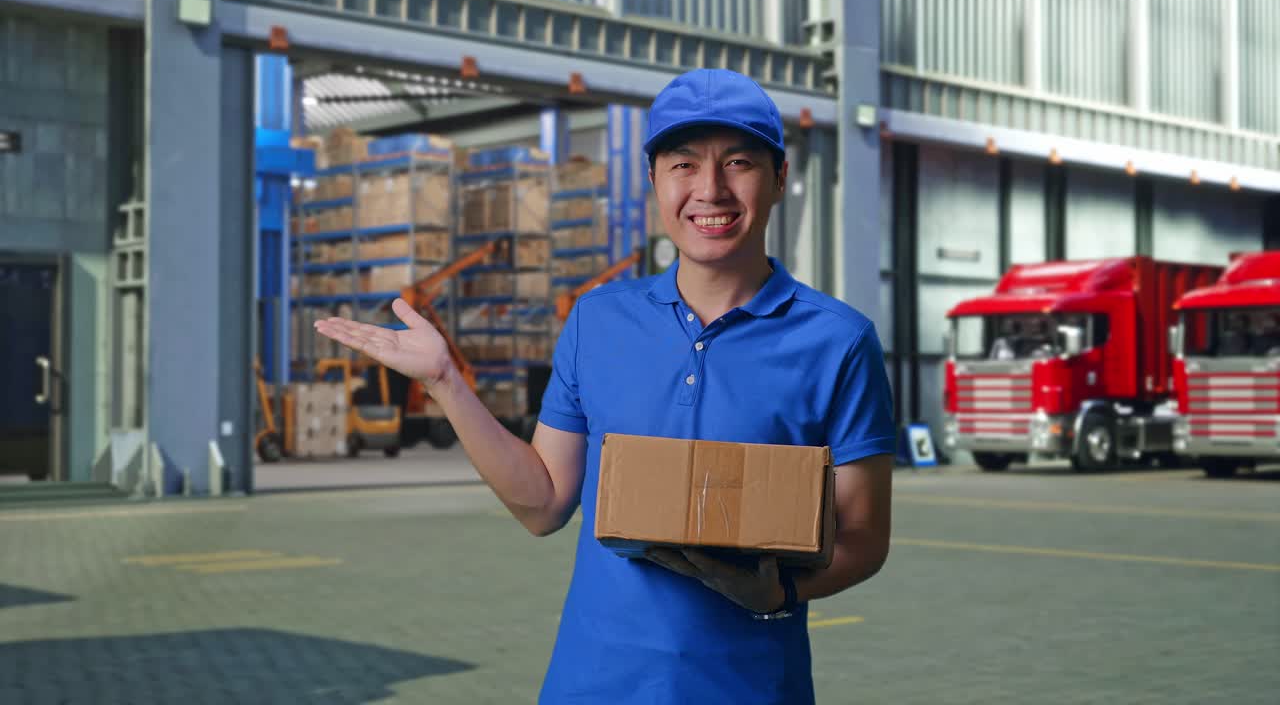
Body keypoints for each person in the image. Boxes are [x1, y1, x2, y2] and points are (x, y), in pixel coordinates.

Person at [315, 68, 896, 704]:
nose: (710, 189)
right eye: (683, 165)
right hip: (593, 684)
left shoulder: (838, 342)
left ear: (779, 177)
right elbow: (543, 504)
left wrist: (781, 592)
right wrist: (445, 381)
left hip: (750, 688)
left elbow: (864, 539)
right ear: (653, 179)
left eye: (738, 163)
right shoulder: (598, 321)